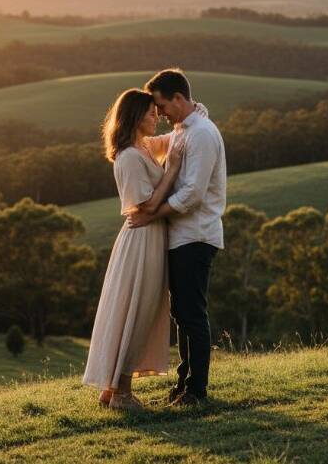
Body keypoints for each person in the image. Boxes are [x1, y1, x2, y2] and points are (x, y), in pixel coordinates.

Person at [127, 68, 227, 406]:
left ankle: (197, 391)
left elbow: (192, 195)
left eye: (161, 106)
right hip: (181, 237)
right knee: (182, 313)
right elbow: (150, 145)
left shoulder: (200, 135)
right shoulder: (185, 128)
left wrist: (151, 214)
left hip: (196, 236)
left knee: (192, 313)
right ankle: (184, 385)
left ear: (179, 99)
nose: (159, 114)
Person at [82, 88, 184, 411]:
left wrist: (193, 116)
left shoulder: (141, 147)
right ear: (135, 116)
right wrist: (171, 172)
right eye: (151, 112)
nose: (157, 117)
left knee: (138, 310)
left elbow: (171, 141)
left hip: (149, 238)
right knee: (135, 312)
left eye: (157, 111)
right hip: (141, 242)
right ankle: (122, 394)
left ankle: (111, 390)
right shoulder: (128, 156)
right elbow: (146, 207)